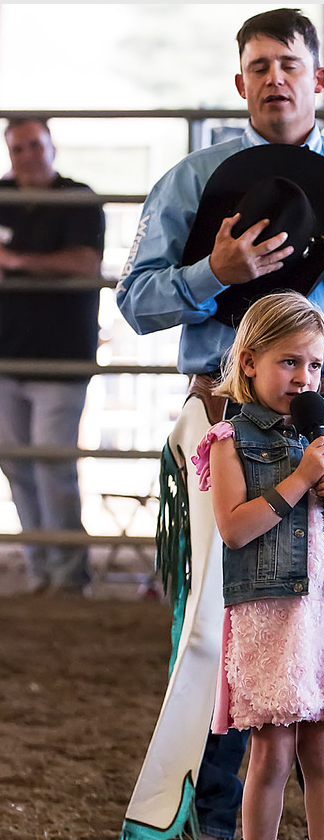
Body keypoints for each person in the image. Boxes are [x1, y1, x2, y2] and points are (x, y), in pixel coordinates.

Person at [115, 7, 324, 840]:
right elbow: (136, 301)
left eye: (289, 64)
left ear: (318, 79)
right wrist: (211, 276)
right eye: (259, 66)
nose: (275, 79)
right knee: (220, 617)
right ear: (240, 84)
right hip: (225, 419)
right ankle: (204, 817)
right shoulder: (192, 183)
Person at [192, 291, 324, 840]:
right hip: (269, 615)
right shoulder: (230, 440)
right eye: (289, 362)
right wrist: (298, 479)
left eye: (315, 366)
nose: (304, 378)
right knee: (269, 753)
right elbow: (236, 529)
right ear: (250, 360)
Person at [0, 117, 105, 596]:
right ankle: (41, 566)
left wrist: (18, 263)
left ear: (52, 147)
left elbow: (86, 263)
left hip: (60, 359)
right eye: (18, 148)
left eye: (35, 146)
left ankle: (68, 575)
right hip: (7, 357)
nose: (27, 156)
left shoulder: (78, 199)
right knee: (17, 464)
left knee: (50, 462)